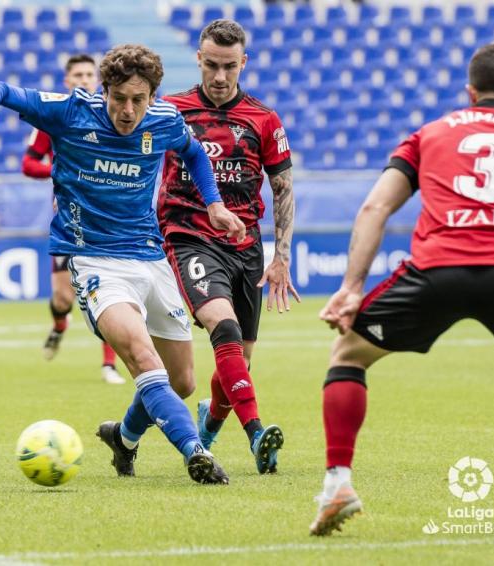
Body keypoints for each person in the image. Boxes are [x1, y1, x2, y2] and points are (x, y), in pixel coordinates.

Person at [0, 44, 246, 484]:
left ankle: (124, 438)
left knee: (183, 382)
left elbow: (194, 153)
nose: (128, 110)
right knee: (145, 359)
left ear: (152, 97)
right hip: (94, 260)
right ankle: (195, 452)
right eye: (119, 98)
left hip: (150, 257)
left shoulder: (164, 120)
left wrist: (216, 205)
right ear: (104, 90)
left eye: (138, 100)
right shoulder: (71, 112)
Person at [311, 41, 494, 535]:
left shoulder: (430, 134)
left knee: (348, 355)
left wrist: (352, 288)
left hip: (436, 269)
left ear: (470, 92)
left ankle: (337, 485)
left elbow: (375, 208)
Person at [158, 19, 300, 474]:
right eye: (212, 65)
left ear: (244, 63)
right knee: (225, 329)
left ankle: (207, 432)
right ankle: (257, 432)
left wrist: (282, 257)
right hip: (189, 236)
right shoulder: (171, 110)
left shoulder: (263, 118)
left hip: (246, 246)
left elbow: (282, 188)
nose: (220, 77)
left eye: (230, 67)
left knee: (240, 361)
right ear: (199, 59)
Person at [21, 53, 125, 385]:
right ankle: (59, 325)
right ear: (67, 81)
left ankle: (109, 364)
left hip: (105, 219)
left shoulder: (116, 116)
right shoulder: (56, 117)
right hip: (68, 220)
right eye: (77, 74)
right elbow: (28, 163)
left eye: (88, 74)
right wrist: (60, 171)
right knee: (63, 298)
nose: (83, 79)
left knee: (108, 290)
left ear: (98, 80)